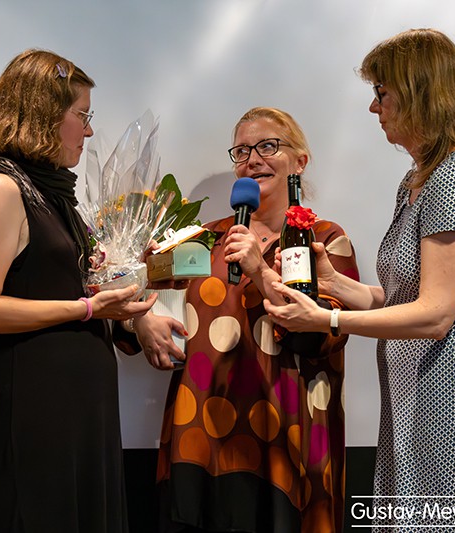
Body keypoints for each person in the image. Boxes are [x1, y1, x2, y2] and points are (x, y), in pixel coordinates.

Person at [264, 29, 455, 529]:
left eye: (382, 93)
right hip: (419, 396)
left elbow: (436, 315)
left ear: (420, 92)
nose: (373, 106)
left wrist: (329, 319)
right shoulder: (419, 179)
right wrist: (333, 283)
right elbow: (404, 298)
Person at [116, 107, 360, 532]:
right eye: (242, 151)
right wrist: (139, 319)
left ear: (300, 162)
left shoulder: (323, 240)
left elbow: (324, 335)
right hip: (201, 438)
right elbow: (130, 296)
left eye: (268, 146)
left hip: (287, 441)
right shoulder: (205, 239)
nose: (253, 159)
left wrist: (259, 269)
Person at [0, 49, 156, 533]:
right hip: (31, 414)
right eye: (82, 116)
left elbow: (68, 288)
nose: (89, 131)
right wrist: (87, 309)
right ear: (44, 115)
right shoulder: (1, 187)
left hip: (73, 413)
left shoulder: (52, 194)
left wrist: (135, 315)